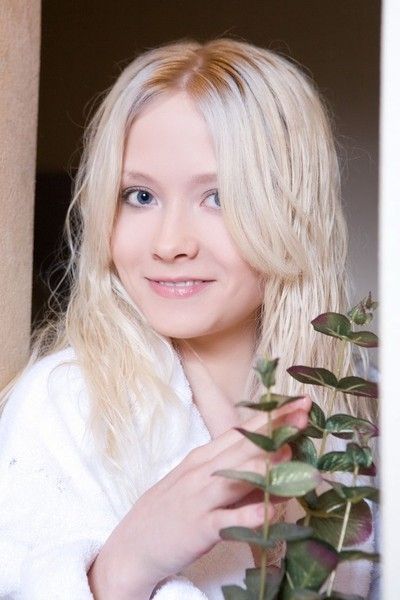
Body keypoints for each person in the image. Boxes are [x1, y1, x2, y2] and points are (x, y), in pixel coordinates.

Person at [0, 38, 375, 599]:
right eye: (140, 196)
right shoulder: (62, 404)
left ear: (291, 210)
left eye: (218, 196)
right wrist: (129, 561)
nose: (170, 243)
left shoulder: (356, 408)